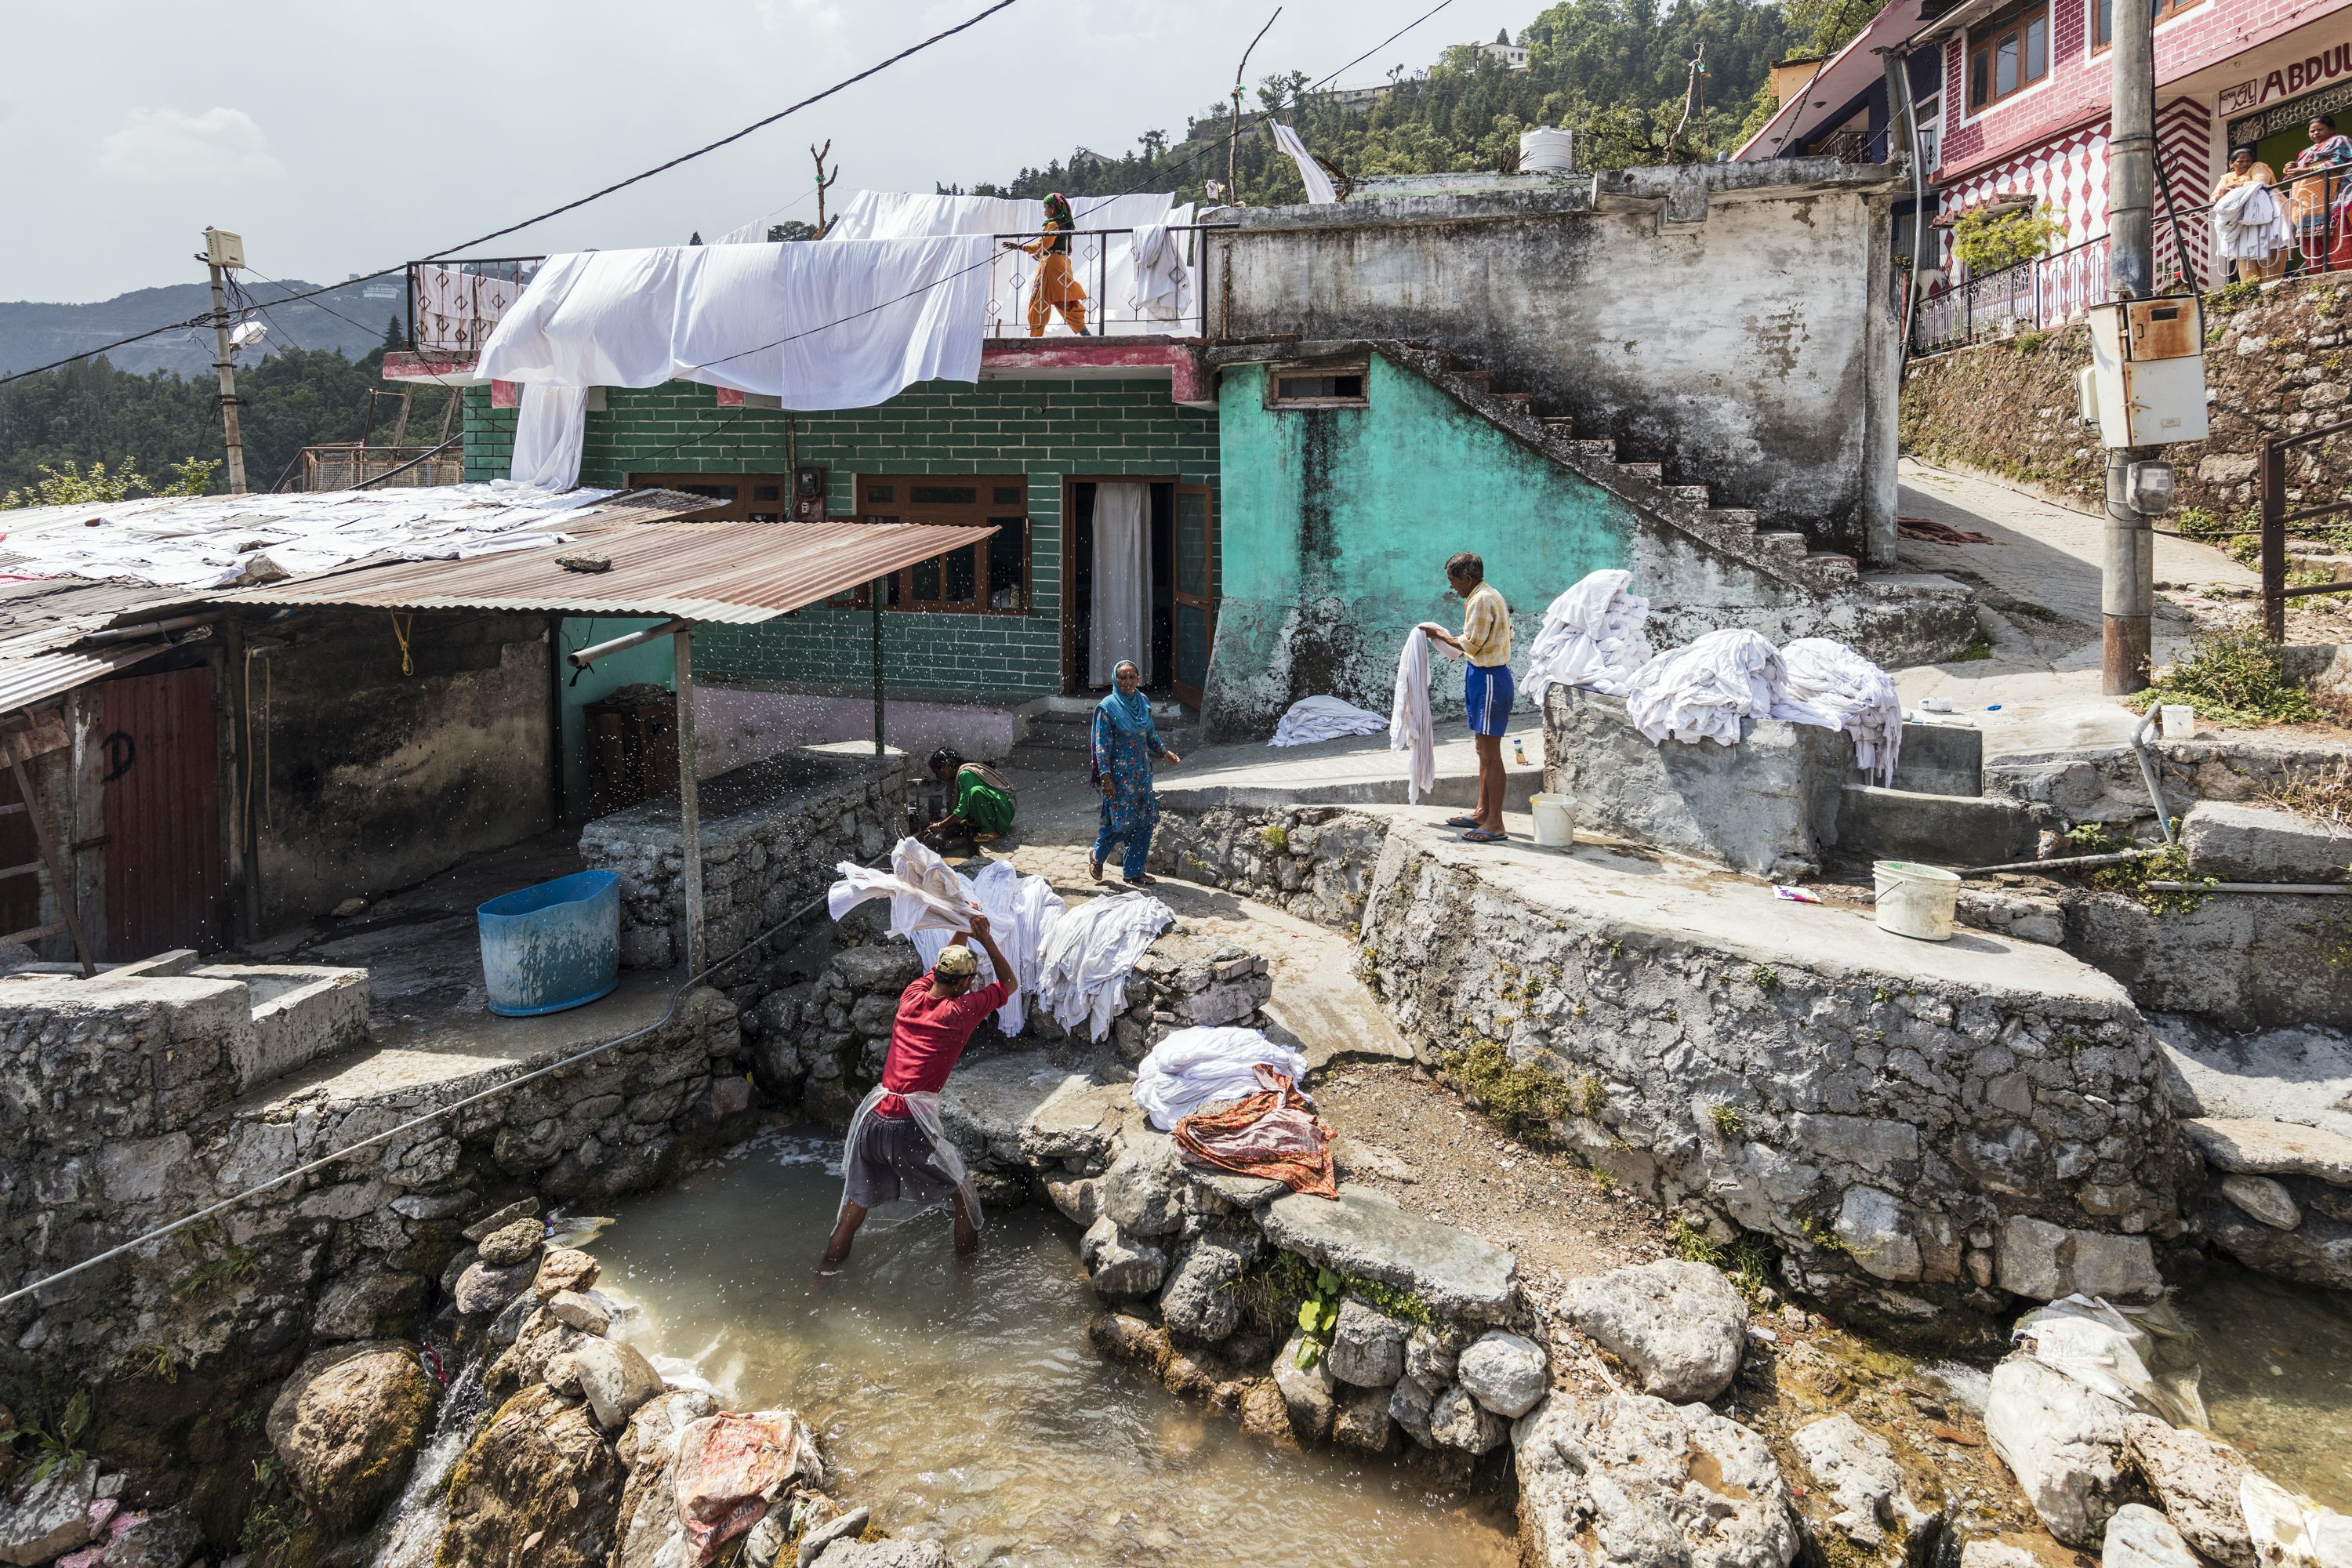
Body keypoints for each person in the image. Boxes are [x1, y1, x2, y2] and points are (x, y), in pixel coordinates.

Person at [822, 914, 1016, 1269]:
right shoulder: (960, 1011)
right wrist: (986, 939)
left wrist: (963, 927)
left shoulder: (912, 995)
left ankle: (822, 1278)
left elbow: (947, 959)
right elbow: (1009, 983)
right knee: (965, 1195)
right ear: (963, 984)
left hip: (874, 1117)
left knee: (855, 1206)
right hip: (907, 1124)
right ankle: (967, 1283)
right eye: (971, 981)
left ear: (938, 975)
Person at [1417, 552, 1514, 844]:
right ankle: (1483, 811)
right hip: (1481, 675)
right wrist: (1459, 648)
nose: (1452, 587)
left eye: (1453, 580)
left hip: (1489, 680)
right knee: (1481, 749)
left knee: (1490, 753)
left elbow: (1471, 641)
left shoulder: (1482, 600)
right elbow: (1492, 637)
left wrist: (1438, 635)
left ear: (1467, 579)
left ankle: (1495, 823)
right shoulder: (1483, 596)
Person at [1091, 659, 1181, 884]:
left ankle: (1133, 871)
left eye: (1132, 677)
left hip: (1141, 774)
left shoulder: (1143, 702)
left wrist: (1164, 752)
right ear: (1115, 679)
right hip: (1118, 778)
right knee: (1119, 823)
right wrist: (1106, 777)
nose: (1128, 682)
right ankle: (1097, 856)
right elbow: (1102, 747)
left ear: (1139, 679)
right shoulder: (1108, 708)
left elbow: (1149, 733)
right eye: (1123, 677)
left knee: (1144, 821)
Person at [1004, 193, 1090, 337]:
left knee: (1040, 300)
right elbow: (1062, 248)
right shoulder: (1065, 224)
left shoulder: (1053, 224)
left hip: (1051, 268)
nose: (1044, 212)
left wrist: (1020, 247)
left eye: (1045, 207)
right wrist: (1044, 255)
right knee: (1064, 300)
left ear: (1052, 207)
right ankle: (1085, 333)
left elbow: (1043, 245)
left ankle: (1035, 339)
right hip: (1062, 265)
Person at [2283, 116, 2352, 271]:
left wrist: (2307, 170)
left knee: (2336, 234)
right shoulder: (2306, 152)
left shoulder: (2339, 140)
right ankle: (2316, 273)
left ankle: (2344, 269)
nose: (2315, 133)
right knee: (2311, 241)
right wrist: (2289, 168)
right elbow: (2293, 174)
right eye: (2312, 131)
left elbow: (2340, 162)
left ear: (2331, 129)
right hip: (2306, 202)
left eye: (2320, 129)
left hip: (2330, 197)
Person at [2212, 147, 2289, 282]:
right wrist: (2221, 195)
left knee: (2270, 247)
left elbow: (2261, 182)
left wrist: (2237, 186)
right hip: (2242, 222)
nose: (2245, 164)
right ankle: (2251, 288)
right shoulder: (2227, 178)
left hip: (2266, 217)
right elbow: (2214, 197)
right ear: (2231, 164)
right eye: (2240, 161)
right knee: (2246, 254)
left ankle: (2271, 284)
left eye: (2248, 161)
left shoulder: (2258, 167)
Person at [919, 748, 1017, 854]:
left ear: (944, 765)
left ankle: (990, 830)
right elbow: (953, 809)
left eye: (936, 772)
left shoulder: (965, 774)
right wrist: (941, 824)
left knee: (976, 792)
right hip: (995, 810)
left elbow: (962, 810)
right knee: (969, 806)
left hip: (1003, 812)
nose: (937, 777)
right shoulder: (953, 781)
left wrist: (940, 826)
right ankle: (981, 823)